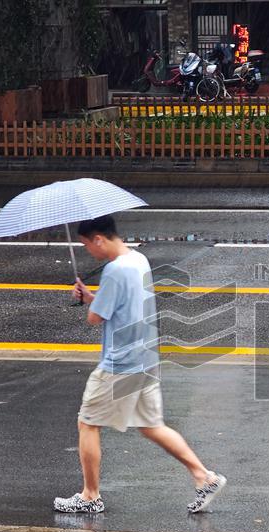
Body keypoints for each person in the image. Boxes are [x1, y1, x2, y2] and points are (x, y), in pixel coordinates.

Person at [54, 215, 226, 514]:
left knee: (88, 422)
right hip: (145, 357)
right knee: (151, 426)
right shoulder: (138, 259)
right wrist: (93, 296)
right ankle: (204, 477)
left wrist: (85, 300)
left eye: (86, 245)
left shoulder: (114, 270)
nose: (88, 252)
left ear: (99, 239)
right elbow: (120, 305)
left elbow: (96, 317)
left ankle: (90, 495)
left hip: (120, 363)